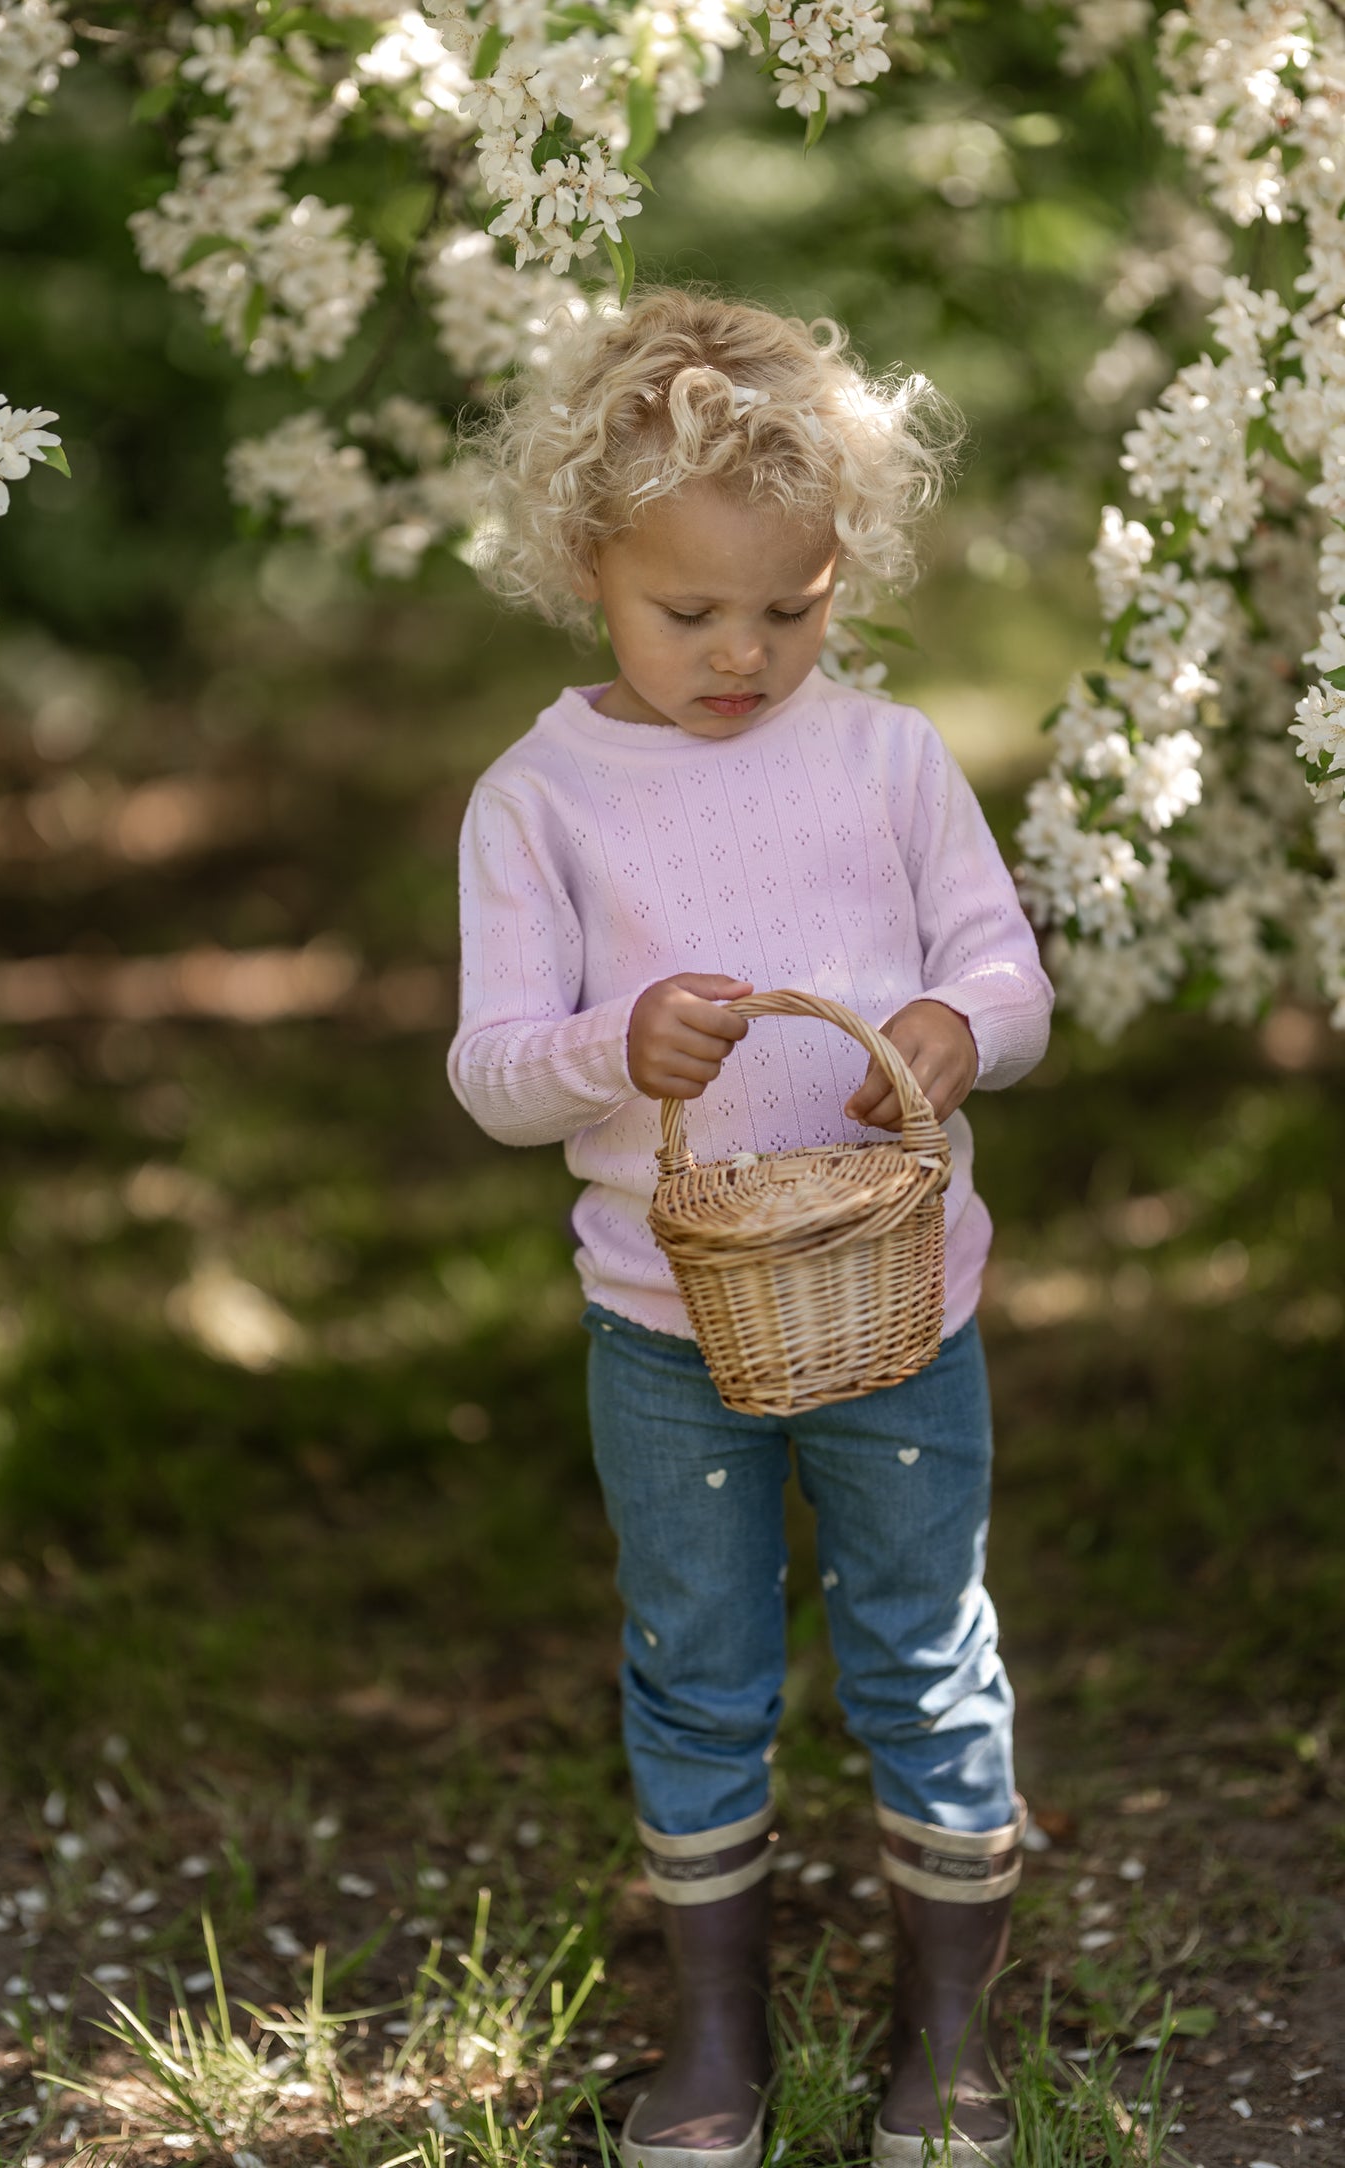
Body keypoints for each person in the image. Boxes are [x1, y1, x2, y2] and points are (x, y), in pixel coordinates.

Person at [446, 289, 1053, 2168]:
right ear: (586, 565)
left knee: (920, 1648)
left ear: (840, 571)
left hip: (896, 1309)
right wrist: (605, 1047)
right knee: (695, 1664)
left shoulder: (886, 760)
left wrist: (953, 1030)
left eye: (790, 609)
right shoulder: (539, 802)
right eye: (689, 611)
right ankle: (716, 2040)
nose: (742, 653)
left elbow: (1003, 973)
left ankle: (947, 2040)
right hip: (664, 1328)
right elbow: (490, 1071)